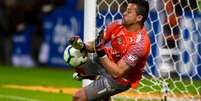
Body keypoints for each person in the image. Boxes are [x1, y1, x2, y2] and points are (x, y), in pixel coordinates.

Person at [69, 0, 150, 101]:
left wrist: (100, 51)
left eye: (129, 12)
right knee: (75, 56)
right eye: (125, 10)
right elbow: (96, 44)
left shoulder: (140, 44)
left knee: (78, 97)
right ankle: (95, 77)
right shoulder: (117, 24)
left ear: (139, 18)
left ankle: (95, 77)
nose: (124, 13)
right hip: (106, 61)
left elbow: (117, 73)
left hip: (121, 79)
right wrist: (82, 45)